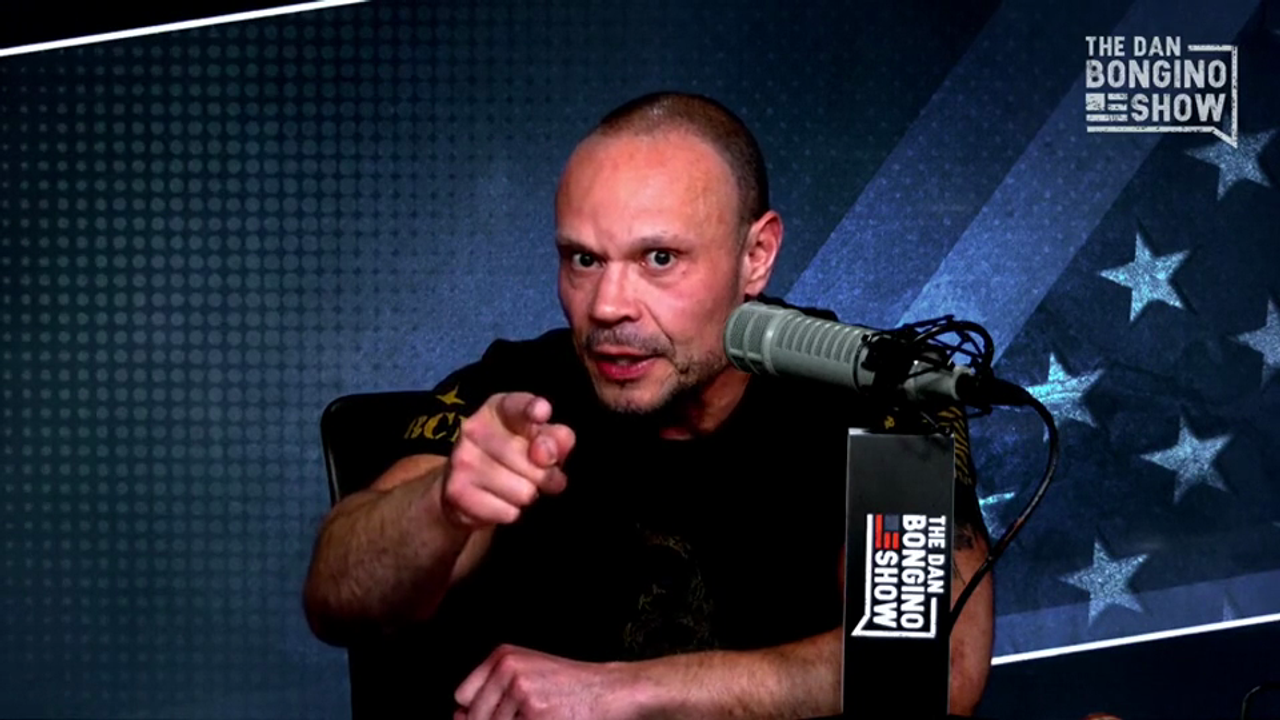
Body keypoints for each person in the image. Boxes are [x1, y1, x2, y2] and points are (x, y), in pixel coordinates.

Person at [303, 91, 994, 719]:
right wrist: (442, 507)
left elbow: (933, 666)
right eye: (584, 260)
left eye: (659, 258)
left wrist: (621, 693)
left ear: (756, 255)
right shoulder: (516, 392)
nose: (608, 307)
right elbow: (335, 598)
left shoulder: (873, 395)